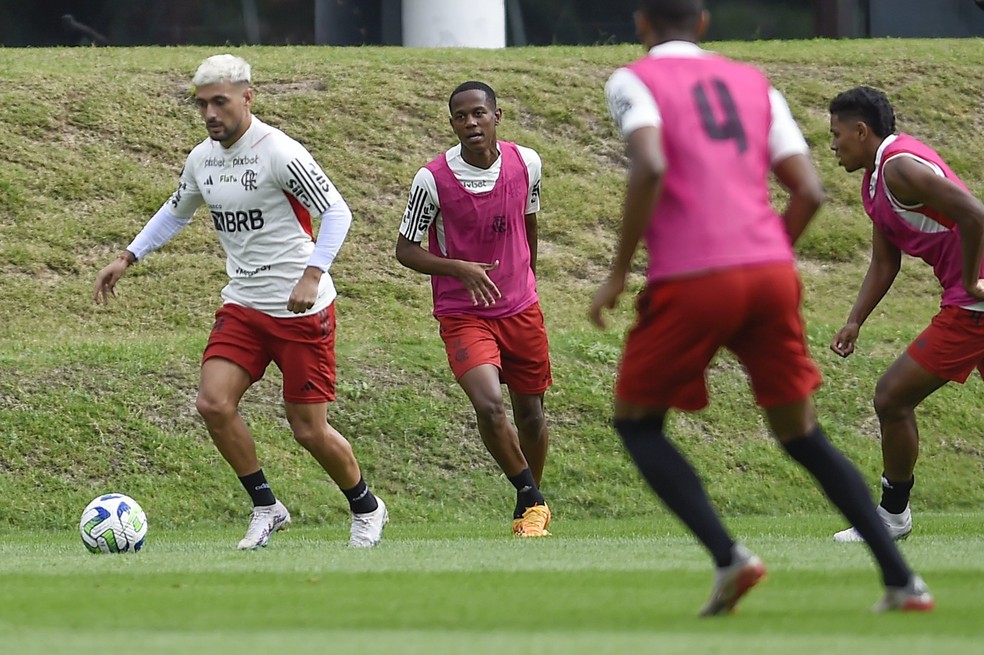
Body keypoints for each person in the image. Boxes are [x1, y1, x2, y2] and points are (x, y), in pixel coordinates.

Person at [590, 0, 933, 615]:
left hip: (694, 275)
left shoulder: (633, 79)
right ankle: (903, 582)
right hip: (772, 272)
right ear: (702, 23)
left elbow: (650, 163)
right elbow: (809, 189)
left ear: (641, 23)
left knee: (636, 422)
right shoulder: (754, 83)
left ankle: (729, 558)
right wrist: (766, 254)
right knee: (801, 432)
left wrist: (617, 273)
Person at [92, 54, 388, 550]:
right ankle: (266, 507)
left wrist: (312, 275)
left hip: (300, 311)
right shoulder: (202, 159)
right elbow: (176, 210)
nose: (210, 113)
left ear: (247, 98)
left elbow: (336, 211)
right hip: (243, 306)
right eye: (202, 103)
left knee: (308, 430)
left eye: (220, 102)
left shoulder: (280, 153)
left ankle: (365, 506)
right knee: (213, 403)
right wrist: (128, 256)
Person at [395, 81, 552, 537]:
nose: (471, 123)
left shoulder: (527, 163)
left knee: (532, 414)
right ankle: (532, 497)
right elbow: (405, 250)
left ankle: (530, 512)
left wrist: (529, 281)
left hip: (521, 308)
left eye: (479, 113)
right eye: (461, 117)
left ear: (496, 116)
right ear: (452, 123)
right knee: (488, 404)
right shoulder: (431, 179)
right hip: (463, 313)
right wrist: (457, 268)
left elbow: (530, 224)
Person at [828, 86, 984, 542]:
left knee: (891, 398)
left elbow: (974, 214)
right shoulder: (877, 178)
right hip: (970, 300)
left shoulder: (899, 167)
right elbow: (884, 262)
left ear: (861, 130)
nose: (833, 145)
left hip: (973, 305)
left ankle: (892, 516)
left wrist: (973, 280)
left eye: (837, 134)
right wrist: (856, 319)